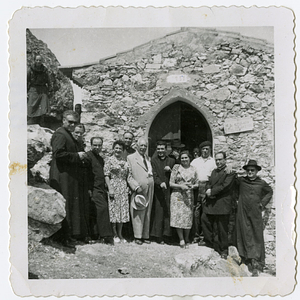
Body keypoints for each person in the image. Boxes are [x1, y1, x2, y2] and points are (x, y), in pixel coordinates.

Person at [49, 110, 88, 248]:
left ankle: (68, 236)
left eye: (74, 123)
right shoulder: (60, 134)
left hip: (68, 176)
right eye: (70, 122)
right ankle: (62, 237)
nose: (72, 125)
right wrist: (77, 156)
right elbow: (58, 154)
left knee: (70, 205)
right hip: (61, 176)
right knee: (64, 205)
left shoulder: (67, 135)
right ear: (63, 120)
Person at [235, 160, 273, 276]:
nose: (250, 172)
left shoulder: (261, 183)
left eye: (252, 170)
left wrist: (262, 203)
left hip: (255, 212)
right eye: (248, 170)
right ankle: (246, 258)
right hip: (243, 211)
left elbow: (269, 191)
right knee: (244, 233)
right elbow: (232, 184)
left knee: (256, 234)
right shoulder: (241, 181)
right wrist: (237, 200)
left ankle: (256, 262)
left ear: (256, 171)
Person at [201, 151, 236, 259]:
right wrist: (207, 189)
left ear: (225, 160)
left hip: (222, 202)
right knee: (205, 219)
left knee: (222, 227)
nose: (218, 162)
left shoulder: (230, 172)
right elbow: (209, 183)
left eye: (220, 159)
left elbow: (225, 186)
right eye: (217, 160)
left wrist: (212, 192)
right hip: (212, 201)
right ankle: (211, 242)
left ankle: (224, 249)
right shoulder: (214, 172)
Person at [86, 137, 114, 245]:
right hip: (93, 189)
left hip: (100, 188)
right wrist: (88, 189)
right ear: (91, 145)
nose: (97, 147)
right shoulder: (88, 156)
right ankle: (106, 235)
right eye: (95, 145)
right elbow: (86, 175)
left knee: (98, 211)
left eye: (99, 145)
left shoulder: (100, 159)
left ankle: (97, 235)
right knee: (102, 209)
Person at [127, 137, 154, 245]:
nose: (143, 148)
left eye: (145, 146)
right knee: (138, 210)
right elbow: (128, 175)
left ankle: (145, 235)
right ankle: (137, 236)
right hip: (139, 189)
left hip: (149, 188)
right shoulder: (131, 158)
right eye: (141, 145)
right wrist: (135, 187)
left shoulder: (147, 158)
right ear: (137, 146)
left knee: (147, 212)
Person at [169, 150, 198, 248]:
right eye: (182, 158)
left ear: (190, 158)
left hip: (188, 195)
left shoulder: (194, 169)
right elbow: (171, 183)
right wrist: (180, 186)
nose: (184, 159)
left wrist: (192, 187)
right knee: (178, 218)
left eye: (186, 157)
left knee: (187, 217)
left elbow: (197, 183)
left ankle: (187, 238)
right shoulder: (176, 168)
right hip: (177, 196)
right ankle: (181, 239)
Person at [191, 141, 216, 244]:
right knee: (196, 212)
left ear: (210, 149)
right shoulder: (195, 161)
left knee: (206, 213)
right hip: (197, 186)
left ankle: (204, 237)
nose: (205, 151)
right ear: (200, 150)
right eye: (203, 149)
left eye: (207, 149)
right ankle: (196, 235)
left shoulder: (213, 161)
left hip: (207, 186)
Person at [104, 140, 129, 243]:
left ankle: (120, 234)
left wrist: (127, 186)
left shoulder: (125, 161)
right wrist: (110, 188)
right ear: (113, 149)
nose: (118, 150)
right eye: (116, 148)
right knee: (113, 210)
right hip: (113, 186)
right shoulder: (109, 160)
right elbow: (106, 175)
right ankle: (114, 234)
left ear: (123, 150)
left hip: (123, 187)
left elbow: (127, 175)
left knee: (122, 211)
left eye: (120, 149)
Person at [150, 141, 175, 244]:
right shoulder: (153, 160)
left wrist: (171, 170)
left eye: (162, 149)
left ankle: (168, 236)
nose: (160, 151)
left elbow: (179, 172)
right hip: (158, 189)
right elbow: (153, 174)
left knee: (168, 211)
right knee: (159, 212)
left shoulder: (172, 161)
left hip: (170, 190)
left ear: (166, 149)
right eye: (158, 149)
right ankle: (158, 236)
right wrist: (160, 183)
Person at [27, 55, 52, 125]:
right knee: (32, 105)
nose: (38, 62)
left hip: (43, 89)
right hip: (33, 88)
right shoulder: (30, 70)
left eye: (40, 60)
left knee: (43, 106)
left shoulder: (44, 70)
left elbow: (48, 80)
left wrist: (50, 89)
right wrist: (26, 92)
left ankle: (41, 121)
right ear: (35, 61)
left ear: (42, 61)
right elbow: (26, 81)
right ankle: (31, 121)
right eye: (37, 60)